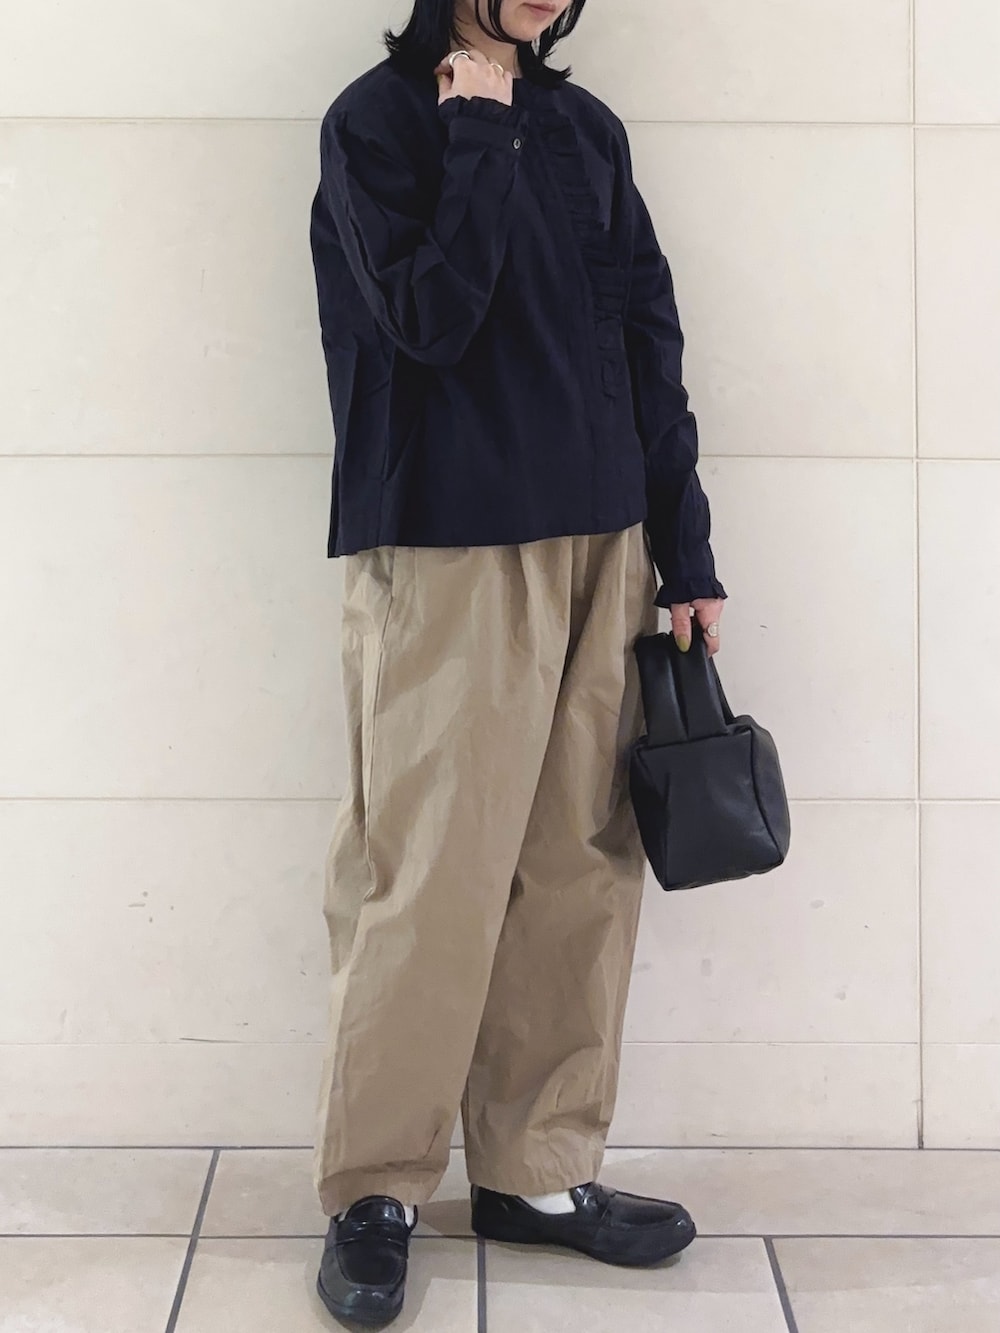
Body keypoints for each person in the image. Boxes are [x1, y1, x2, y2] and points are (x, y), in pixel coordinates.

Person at [308, 0, 726, 1324]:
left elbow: (645, 340)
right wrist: (477, 133)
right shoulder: (377, 125)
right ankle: (375, 1190)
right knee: (427, 871)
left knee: (579, 868)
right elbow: (425, 321)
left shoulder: (586, 130)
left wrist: (686, 548)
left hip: (605, 539)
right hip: (450, 540)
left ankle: (535, 1174)